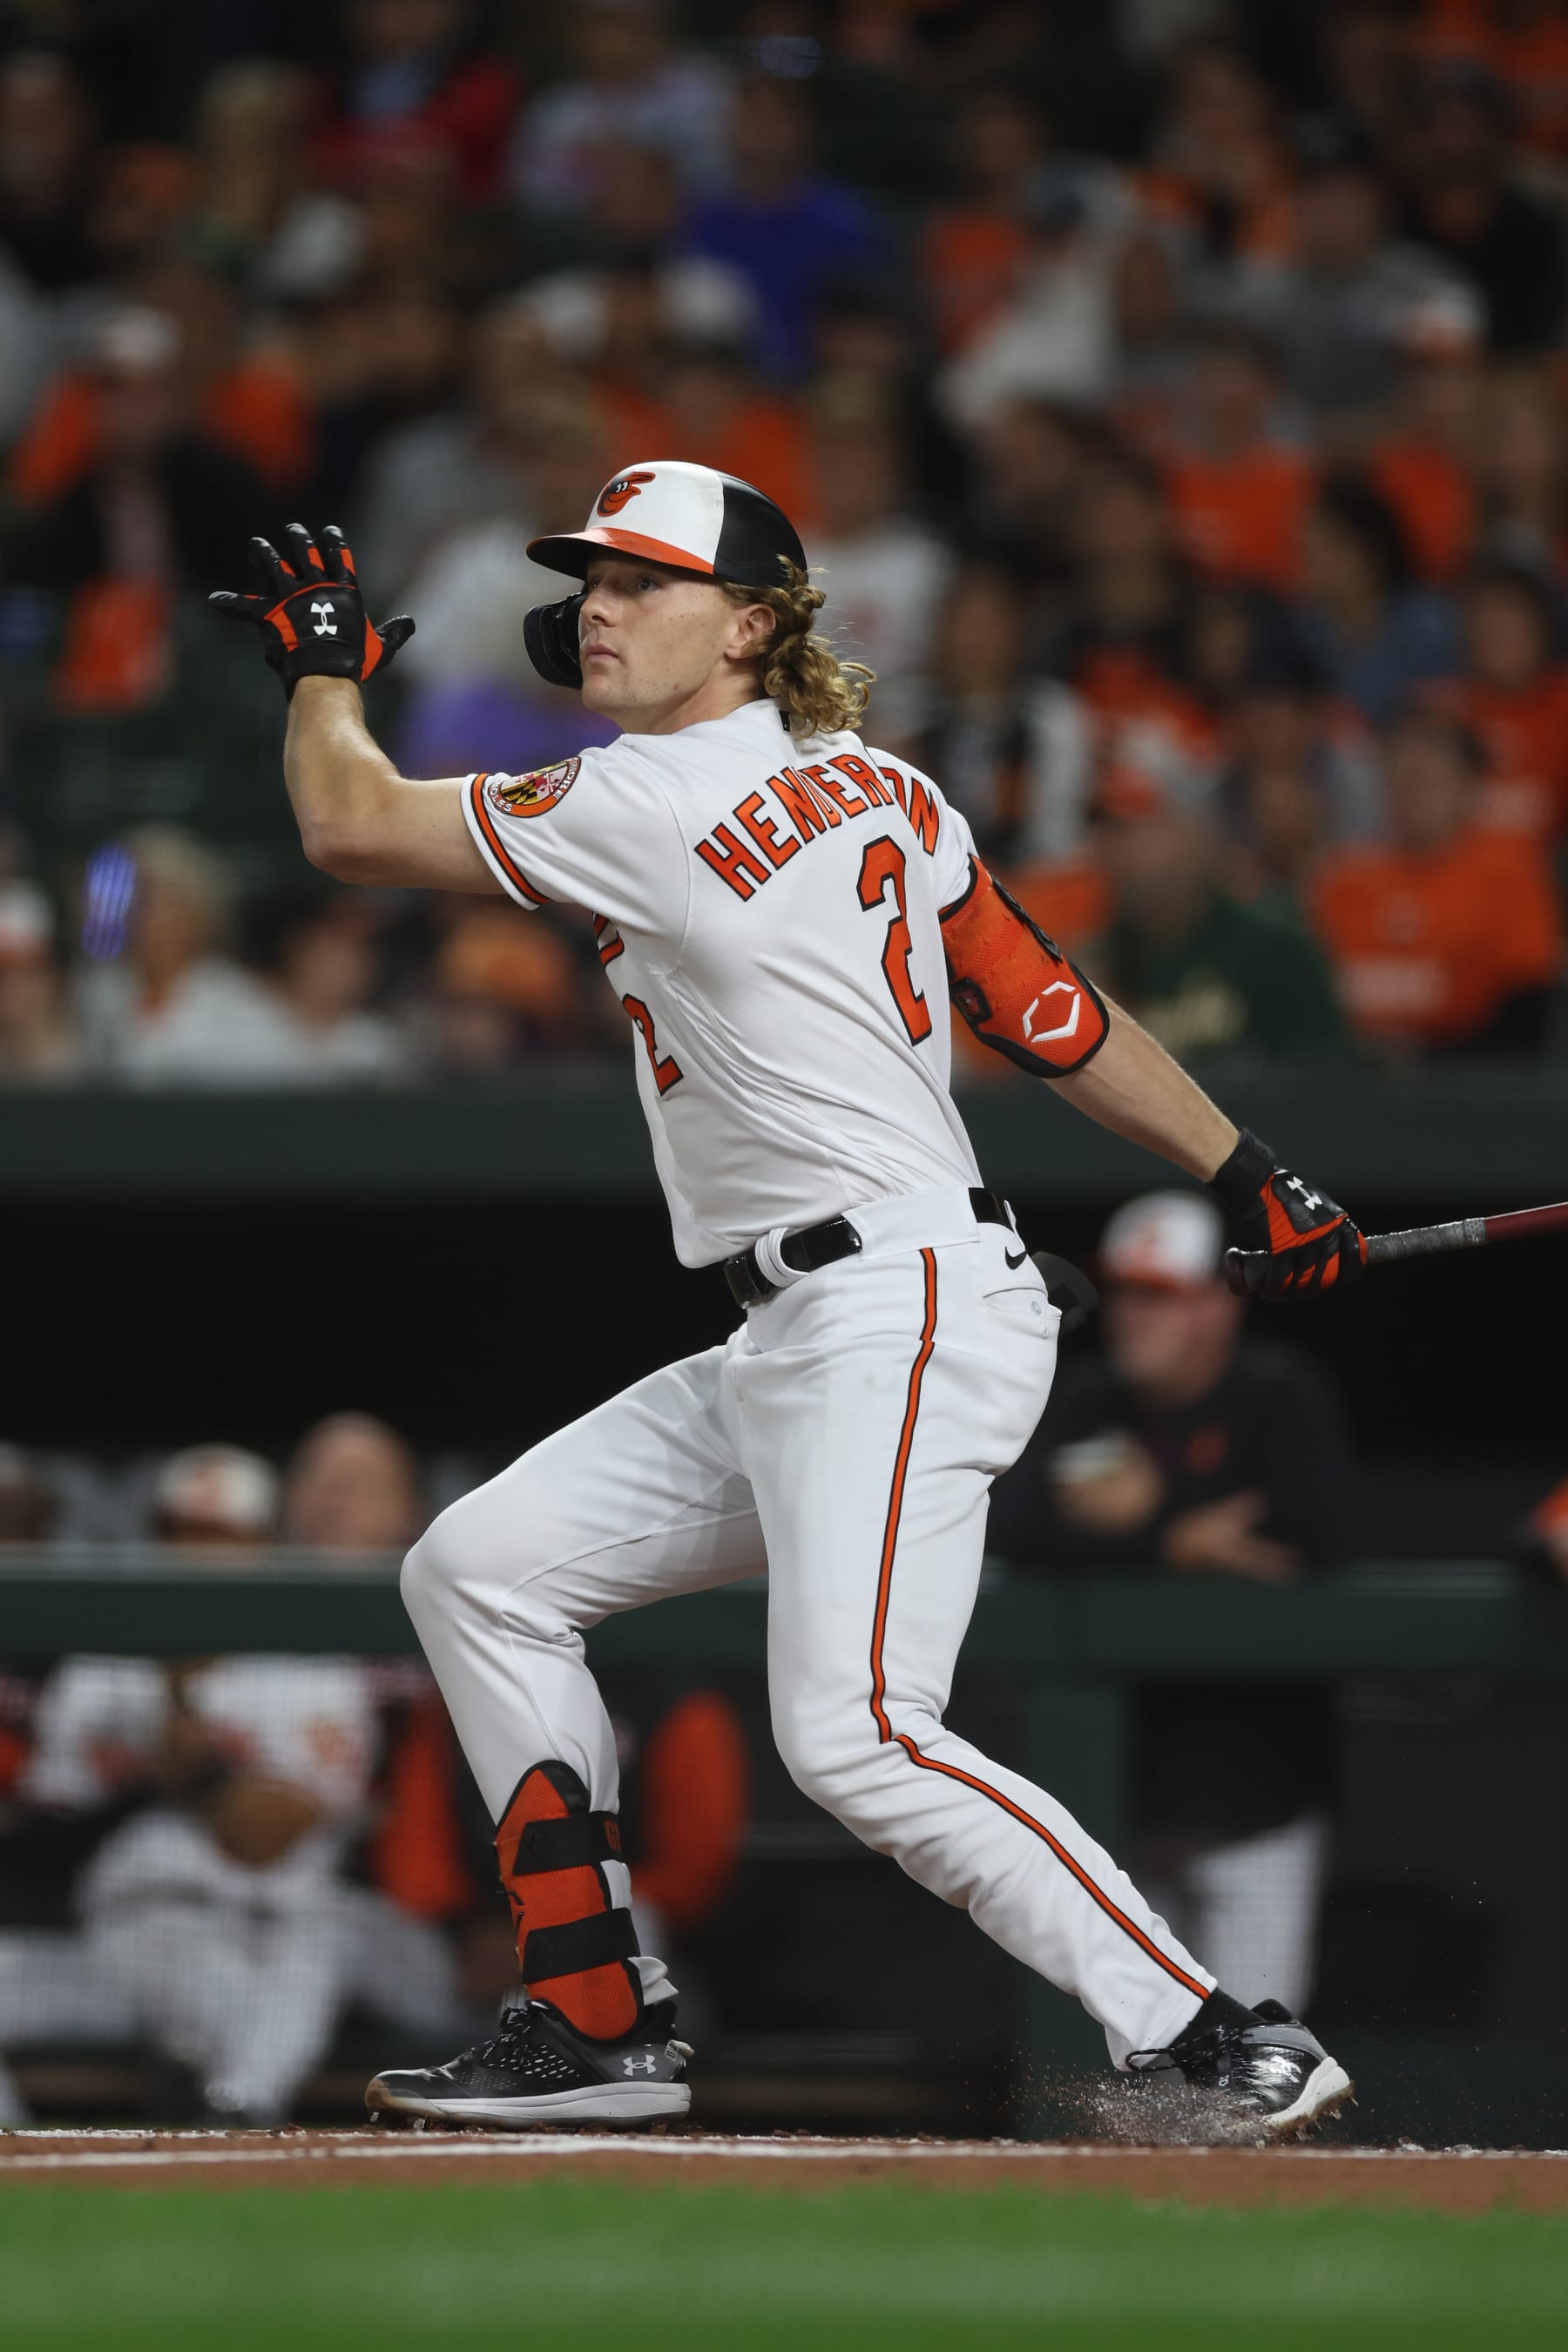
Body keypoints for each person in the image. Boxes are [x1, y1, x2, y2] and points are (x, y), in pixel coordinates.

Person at [211, 458, 1368, 2136]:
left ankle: (1209, 2034)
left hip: (892, 1302)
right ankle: (595, 2019)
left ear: (753, 624)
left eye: (645, 584)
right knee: (479, 1568)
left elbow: (342, 820)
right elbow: (1056, 1018)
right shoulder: (881, 788)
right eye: (590, 580)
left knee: (859, 1737)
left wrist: (324, 665)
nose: (601, 606)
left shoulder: (641, 798)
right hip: (814, 1319)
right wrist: (1248, 1166)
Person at [990, 1192, 1353, 2017]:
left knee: (1255, 2064)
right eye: (1126, 1292)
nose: (1133, 1316)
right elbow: (1012, 1527)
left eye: (1162, 1295)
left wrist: (1144, 1515)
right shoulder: (1083, 1398)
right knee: (1138, 2083)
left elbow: (1316, 1538)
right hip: (1112, 1807)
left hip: (1255, 1804)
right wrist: (1174, 1539)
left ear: (1220, 1305)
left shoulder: (1277, 1394)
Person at [1310, 705, 1563, 1056]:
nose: (1413, 793)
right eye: (1402, 777)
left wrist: (1430, 1058)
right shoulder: (1342, 878)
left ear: (1469, 789)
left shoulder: (1508, 873)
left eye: (1429, 779)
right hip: (1349, 1078)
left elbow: (1528, 1003)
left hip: (1466, 1082)